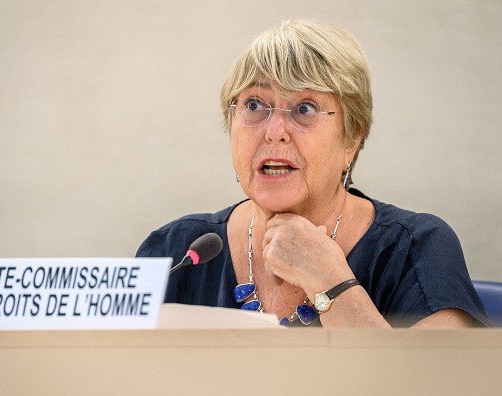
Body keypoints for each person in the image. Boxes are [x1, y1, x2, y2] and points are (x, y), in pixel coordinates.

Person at [136, 20, 491, 327]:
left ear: (352, 138)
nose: (274, 131)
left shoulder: (417, 249)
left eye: (304, 108)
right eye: (254, 105)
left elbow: (434, 383)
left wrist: (328, 279)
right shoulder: (174, 253)